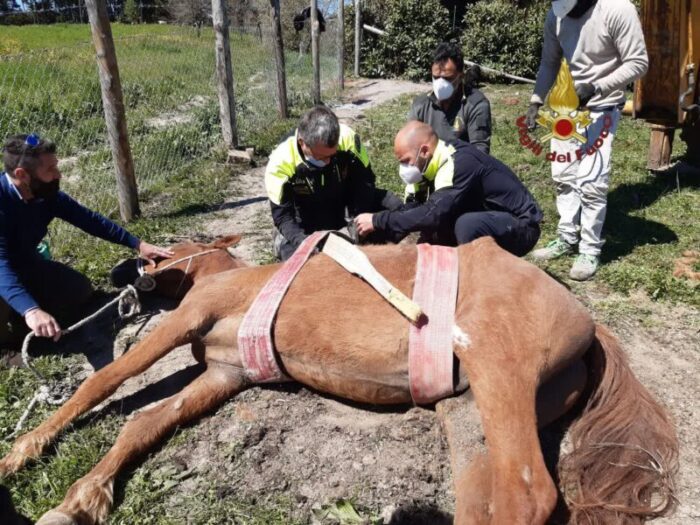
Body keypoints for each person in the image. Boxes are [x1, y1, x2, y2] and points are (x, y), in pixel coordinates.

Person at [0, 134, 173, 344]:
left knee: (79, 290)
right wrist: (31, 310)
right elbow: (2, 266)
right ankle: (7, 347)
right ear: (22, 174)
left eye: (56, 166)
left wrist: (137, 244)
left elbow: (88, 220)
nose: (59, 175)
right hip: (3, 270)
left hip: (24, 263)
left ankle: (21, 319)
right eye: (50, 170)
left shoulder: (44, 195)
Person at [527, 0, 648, 280]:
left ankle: (590, 248)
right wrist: (536, 100)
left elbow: (638, 62)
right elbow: (549, 61)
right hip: (565, 107)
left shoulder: (618, 10)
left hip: (603, 107)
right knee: (563, 174)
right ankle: (567, 236)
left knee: (592, 181)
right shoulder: (556, 15)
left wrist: (595, 87)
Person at [354, 122, 542, 255]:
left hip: (520, 226)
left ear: (424, 151)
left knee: (466, 225)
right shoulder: (427, 164)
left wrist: (378, 220)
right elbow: (414, 212)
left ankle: (479, 282)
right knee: (432, 237)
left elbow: (432, 214)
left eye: (405, 161)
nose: (403, 168)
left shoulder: (459, 163)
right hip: (486, 216)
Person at [265, 106, 401, 260]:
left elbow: (365, 184)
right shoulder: (280, 162)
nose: (328, 161)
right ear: (303, 143)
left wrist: (356, 221)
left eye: (332, 155)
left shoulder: (348, 138)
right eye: (321, 157)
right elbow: (283, 217)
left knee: (396, 210)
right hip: (305, 219)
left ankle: (371, 254)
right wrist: (304, 242)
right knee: (293, 254)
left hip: (343, 209)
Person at [408, 42, 492, 154]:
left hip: (463, 167)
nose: (440, 84)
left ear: (461, 76)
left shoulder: (476, 105)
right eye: (436, 77)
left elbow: (480, 152)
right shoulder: (421, 104)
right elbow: (410, 143)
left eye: (447, 78)